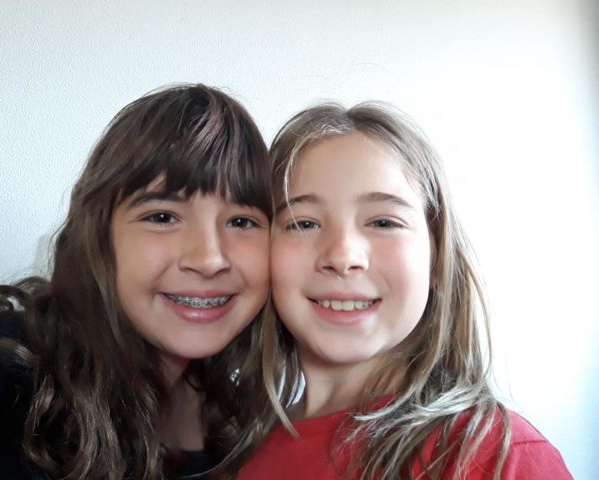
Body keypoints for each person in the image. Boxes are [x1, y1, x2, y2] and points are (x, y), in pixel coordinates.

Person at [235, 103, 572, 479]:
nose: (343, 256)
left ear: (436, 259)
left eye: (383, 222)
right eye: (303, 223)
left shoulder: (500, 458)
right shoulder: (233, 453)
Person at [0, 84, 271, 479]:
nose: (210, 259)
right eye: (162, 217)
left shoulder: (252, 428)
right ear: (100, 235)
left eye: (242, 221)